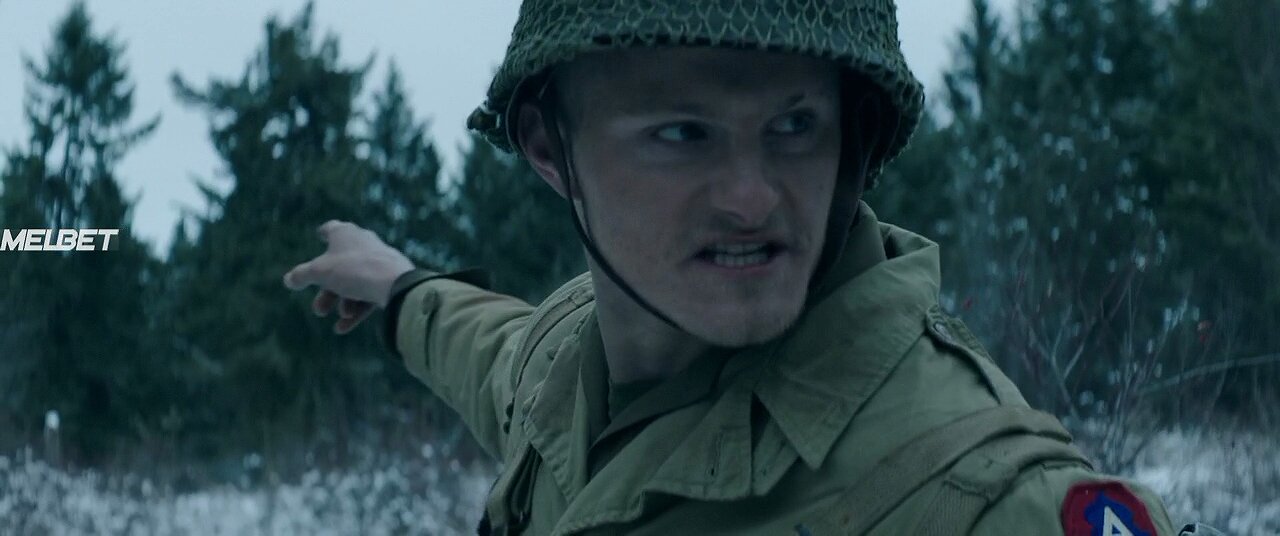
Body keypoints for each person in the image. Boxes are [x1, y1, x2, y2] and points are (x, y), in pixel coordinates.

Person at [283, 1, 1196, 534]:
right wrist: (398, 289)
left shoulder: (982, 497)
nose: (753, 199)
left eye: (794, 126)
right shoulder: (569, 362)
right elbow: (491, 349)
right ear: (548, 148)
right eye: (684, 133)